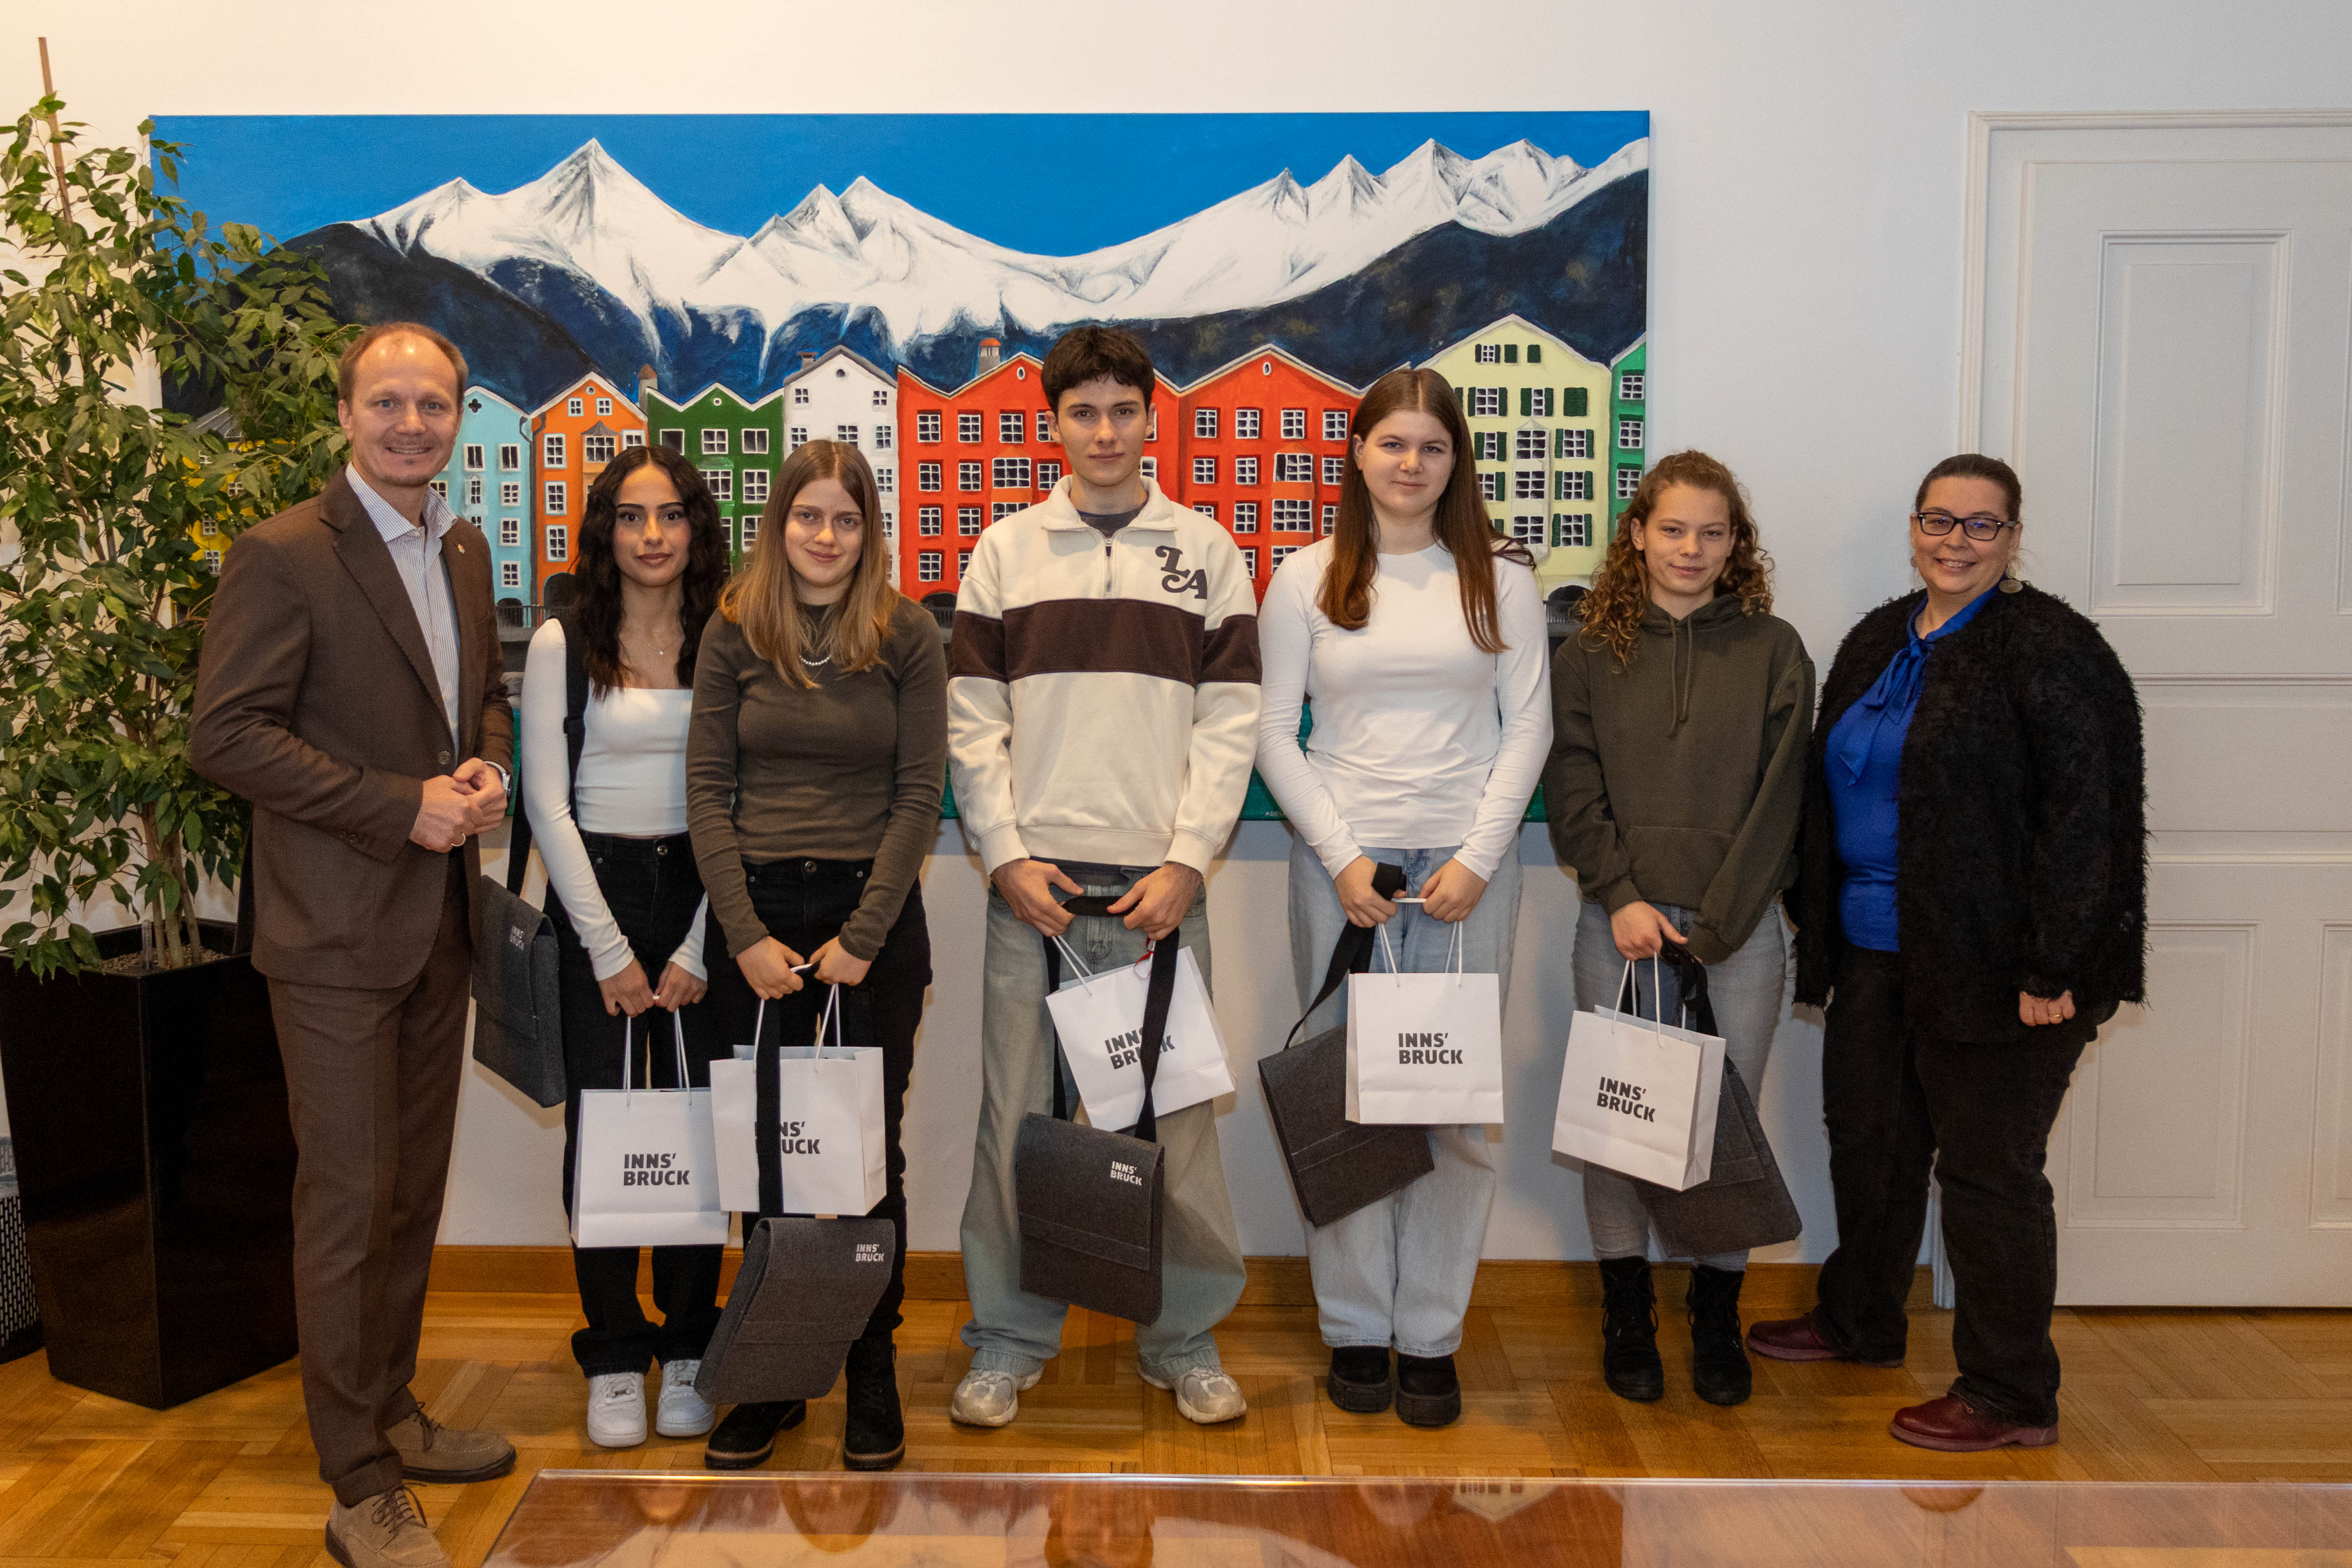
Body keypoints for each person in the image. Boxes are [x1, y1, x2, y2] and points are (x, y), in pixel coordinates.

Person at [192, 322, 515, 1568]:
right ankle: (358, 1478)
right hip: (331, 934)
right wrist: (401, 804)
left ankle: (390, 1406)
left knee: (407, 1197)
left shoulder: (465, 542)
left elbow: (474, 692)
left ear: (458, 414)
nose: (409, 424)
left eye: (430, 403)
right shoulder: (283, 554)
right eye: (386, 402)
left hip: (437, 926)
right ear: (346, 414)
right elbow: (226, 734)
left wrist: (481, 759)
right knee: (346, 1204)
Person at [1746, 453, 2146, 1452]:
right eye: (1940, 520)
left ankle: (2011, 1393)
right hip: (1880, 947)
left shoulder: (2051, 647)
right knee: (1872, 1148)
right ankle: (1860, 1319)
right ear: (1914, 527)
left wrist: (2052, 964)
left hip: (2005, 968)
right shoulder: (1882, 636)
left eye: (1981, 525)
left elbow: (2087, 816)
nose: (1955, 541)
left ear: (2012, 539)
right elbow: (1821, 782)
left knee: (1988, 1173)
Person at [947, 325, 1260, 1429]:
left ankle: (1184, 1339)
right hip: (1032, 889)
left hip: (1160, 892)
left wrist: (1187, 861)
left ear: (1151, 416)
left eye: (1124, 409)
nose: (1106, 432)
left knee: (1174, 1121)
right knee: (1014, 1118)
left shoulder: (1208, 553)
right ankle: (1007, 1337)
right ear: (1057, 424)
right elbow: (973, 723)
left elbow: (1232, 725)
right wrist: (1003, 854)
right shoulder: (1006, 553)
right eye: (1084, 412)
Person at [1255, 368, 1550, 1427]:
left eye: (1432, 446)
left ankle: (1430, 1332)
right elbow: (1271, 733)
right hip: (1343, 870)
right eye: (1393, 444)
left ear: (1454, 461)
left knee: (1452, 1109)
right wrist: (1339, 858)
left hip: (1466, 874)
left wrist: (1476, 855)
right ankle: (1355, 1330)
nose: (1412, 463)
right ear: (1359, 454)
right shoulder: (1305, 577)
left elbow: (1529, 728)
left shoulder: (1500, 581)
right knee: (1347, 1099)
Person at [687, 439, 946, 1471]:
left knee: (861, 1161)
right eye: (808, 516)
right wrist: (745, 935)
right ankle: (777, 1373)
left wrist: (863, 938)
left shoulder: (909, 633)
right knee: (769, 1165)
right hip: (754, 917)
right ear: (779, 523)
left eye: (846, 519)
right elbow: (706, 791)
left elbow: (919, 795)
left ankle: (871, 1367)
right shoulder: (733, 629)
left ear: (868, 530)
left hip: (867, 922)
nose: (826, 536)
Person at [1541, 450, 1813, 1408]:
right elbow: (1572, 784)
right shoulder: (1586, 652)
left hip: (1736, 937)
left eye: (1712, 532)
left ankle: (1713, 1315)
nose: (1691, 549)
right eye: (1672, 530)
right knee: (1623, 1127)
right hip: (1620, 926)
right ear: (1639, 535)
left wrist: (1731, 921)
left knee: (1717, 1129)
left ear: (1736, 543)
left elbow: (1785, 798)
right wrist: (1617, 893)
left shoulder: (1775, 649)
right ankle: (1627, 1317)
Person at [524, 445, 729, 1450]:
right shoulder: (565, 640)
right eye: (632, 515)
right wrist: (605, 947)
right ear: (606, 531)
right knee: (603, 1136)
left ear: (698, 528)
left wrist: (697, 939)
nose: (653, 535)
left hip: (705, 897)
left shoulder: (731, 637)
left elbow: (740, 801)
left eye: (673, 514)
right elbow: (545, 802)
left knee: (700, 1127)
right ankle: (613, 1354)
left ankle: (691, 1344)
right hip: (591, 897)